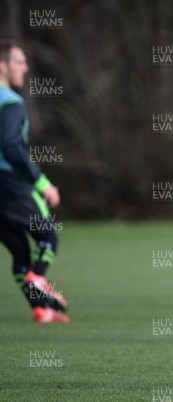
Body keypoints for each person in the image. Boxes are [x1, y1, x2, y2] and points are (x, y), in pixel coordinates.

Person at [0, 39, 68, 323]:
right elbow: (11, 146)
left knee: (18, 249)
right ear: (2, 66)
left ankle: (40, 308)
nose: (25, 67)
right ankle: (38, 281)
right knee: (48, 236)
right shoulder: (10, 102)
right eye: (19, 61)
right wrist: (42, 184)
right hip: (11, 185)